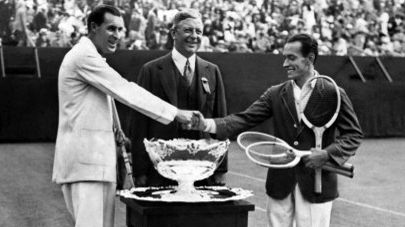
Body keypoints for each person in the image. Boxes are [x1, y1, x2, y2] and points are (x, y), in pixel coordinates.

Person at [192, 33, 363, 227]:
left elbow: (353, 135)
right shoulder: (275, 93)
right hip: (280, 183)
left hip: (317, 186)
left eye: (291, 58)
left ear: (310, 59)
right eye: (284, 57)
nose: (284, 63)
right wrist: (206, 124)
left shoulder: (333, 92)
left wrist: (326, 154)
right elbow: (244, 119)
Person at [52, 5, 198, 227]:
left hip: (96, 164)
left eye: (120, 30)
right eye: (111, 28)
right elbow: (124, 90)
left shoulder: (93, 56)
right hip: (85, 165)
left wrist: (117, 131)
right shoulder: (83, 55)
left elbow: (104, 99)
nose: (117, 36)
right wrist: (176, 113)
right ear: (93, 27)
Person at [128, 9, 228, 187]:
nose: (194, 36)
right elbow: (139, 124)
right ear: (174, 33)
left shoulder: (212, 71)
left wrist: (221, 169)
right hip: (161, 169)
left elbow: (221, 121)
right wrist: (140, 171)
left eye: (199, 32)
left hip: (202, 169)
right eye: (188, 30)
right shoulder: (151, 70)